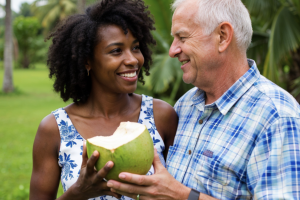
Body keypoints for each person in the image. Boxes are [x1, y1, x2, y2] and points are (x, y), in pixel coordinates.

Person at [106, 0, 300, 199]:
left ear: (222, 37)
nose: (173, 50)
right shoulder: (185, 105)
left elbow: (174, 193)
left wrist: (182, 196)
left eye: (182, 37)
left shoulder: (277, 116)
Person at [29, 0, 178, 199]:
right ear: (87, 61)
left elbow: (181, 190)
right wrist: (77, 193)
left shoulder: (162, 116)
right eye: (116, 51)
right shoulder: (53, 129)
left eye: (135, 47)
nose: (133, 59)